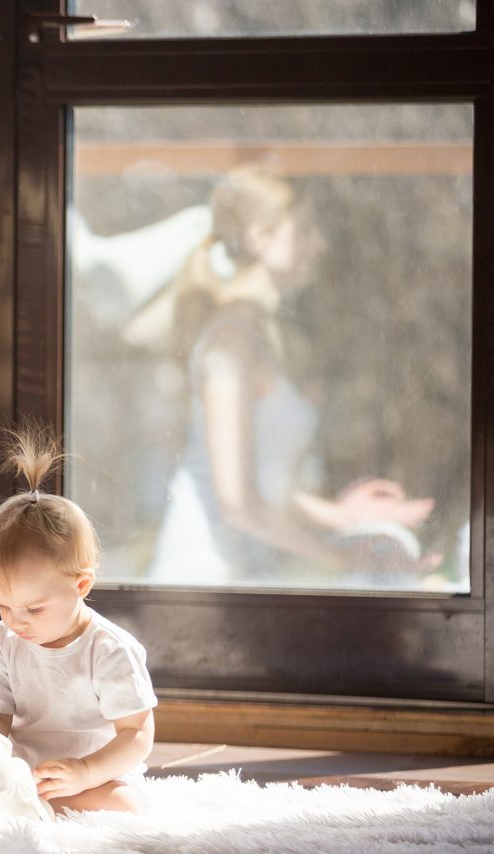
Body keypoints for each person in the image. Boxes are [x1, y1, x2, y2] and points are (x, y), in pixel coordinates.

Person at [140, 166, 436, 586]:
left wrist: (342, 516)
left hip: (244, 579)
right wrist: (342, 557)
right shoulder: (230, 343)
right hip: (202, 580)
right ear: (261, 238)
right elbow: (239, 503)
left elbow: (260, 485)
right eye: (305, 230)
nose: (319, 245)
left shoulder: (259, 335)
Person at [0, 425, 157, 815]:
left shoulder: (110, 650)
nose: (15, 621)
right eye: (2, 605)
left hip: (89, 774)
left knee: (125, 805)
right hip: (14, 766)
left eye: (33, 608)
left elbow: (137, 734)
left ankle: (19, 806)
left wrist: (85, 771)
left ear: (81, 584)